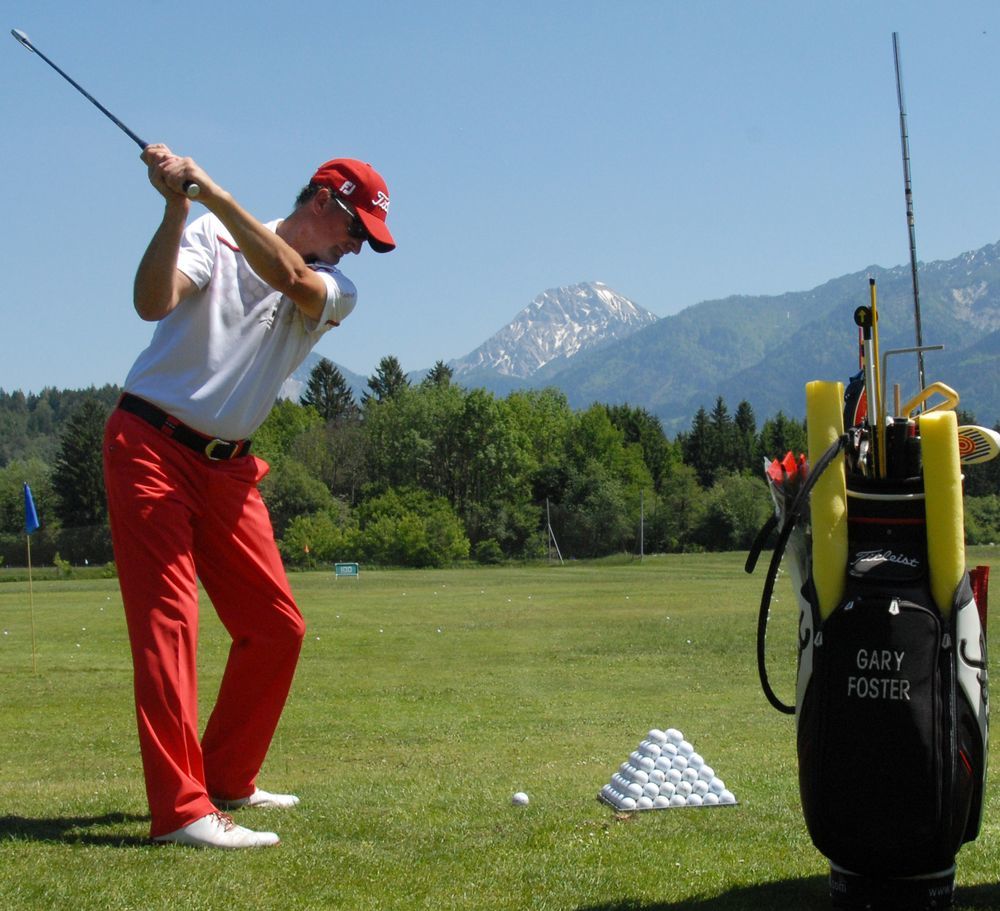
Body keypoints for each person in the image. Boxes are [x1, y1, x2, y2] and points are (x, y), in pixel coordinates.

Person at [103, 144, 395, 848]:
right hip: (148, 443)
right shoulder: (208, 231)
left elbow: (288, 272)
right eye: (356, 231)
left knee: (276, 627)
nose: (356, 249)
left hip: (229, 469)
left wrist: (210, 191)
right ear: (324, 200)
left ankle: (228, 776)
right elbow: (150, 303)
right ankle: (181, 811)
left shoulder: (332, 289)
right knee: (170, 626)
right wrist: (178, 208)